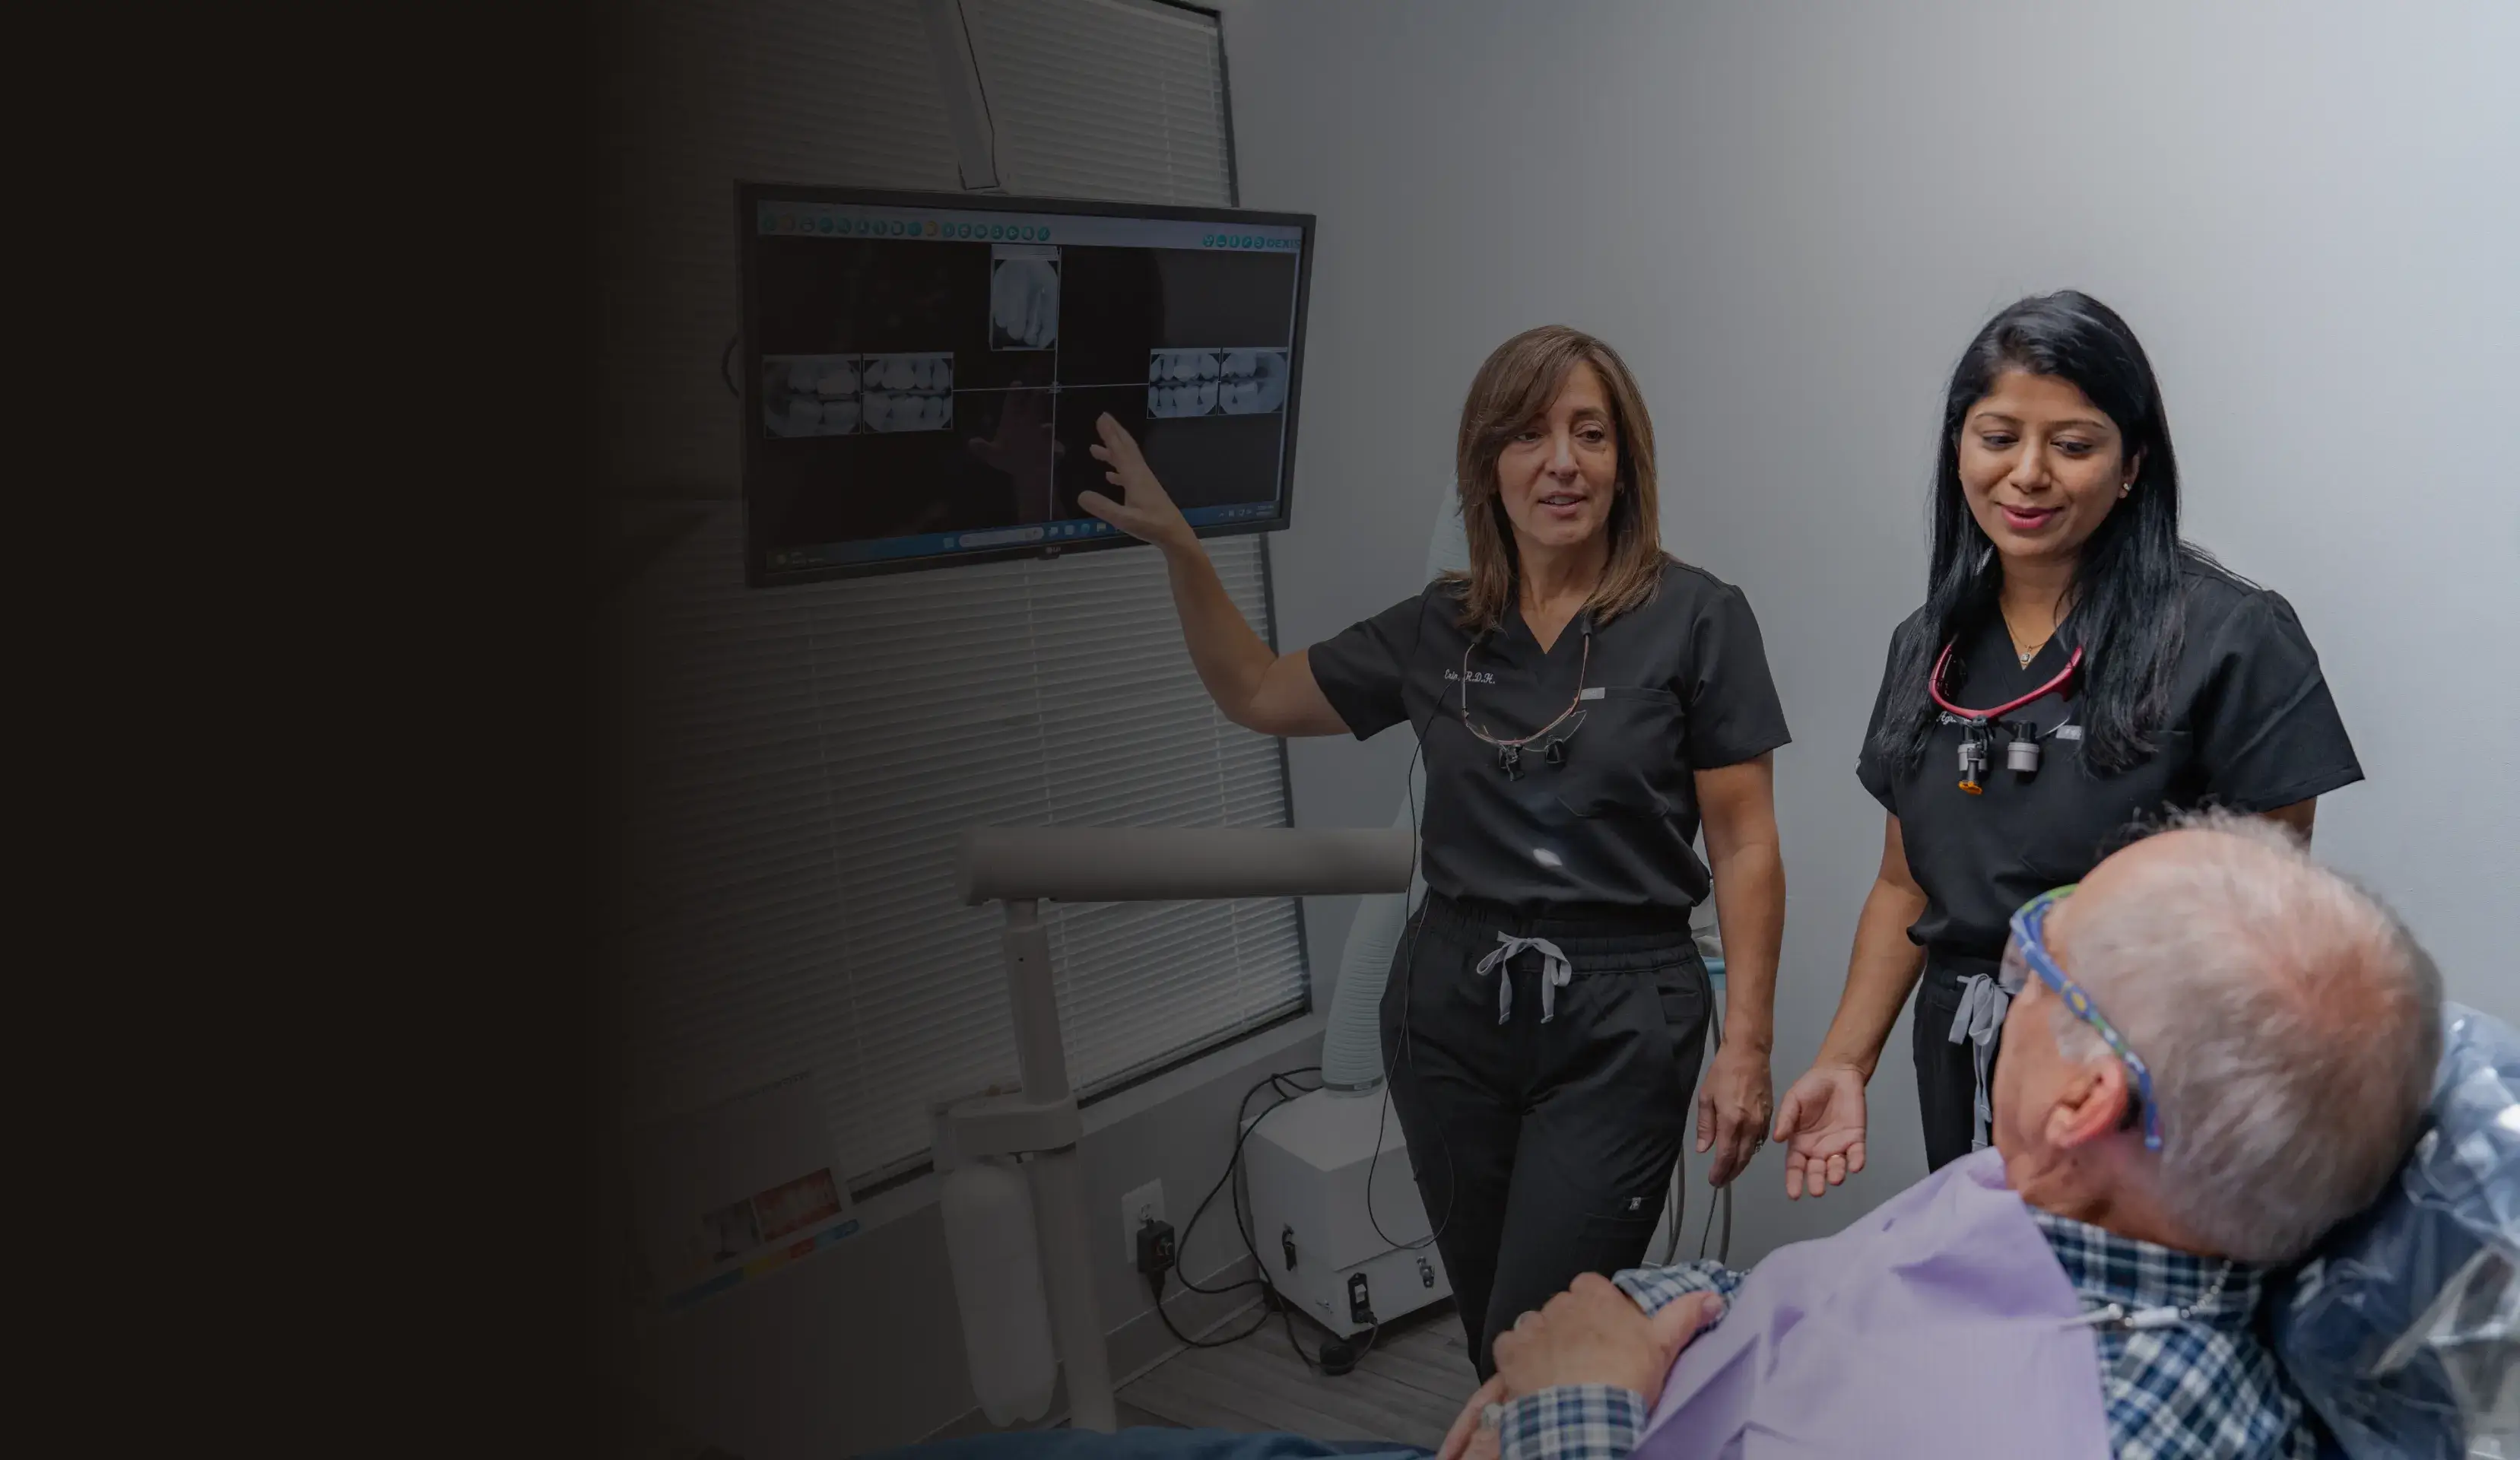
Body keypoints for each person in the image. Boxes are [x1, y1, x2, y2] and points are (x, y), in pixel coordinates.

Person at [861, 812, 2445, 1460]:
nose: (2014, 969)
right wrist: (1657, 1310)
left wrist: (1581, 1404)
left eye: (2039, 954)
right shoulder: (2075, 1194)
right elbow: (1832, 1301)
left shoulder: (2077, 1428)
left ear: (2089, 1096)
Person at [1075, 325, 1791, 1379]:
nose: (1562, 462)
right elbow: (1258, 690)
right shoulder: (1440, 627)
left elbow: (1745, 842)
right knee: (1494, 1334)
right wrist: (1185, 549)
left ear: (1625, 461)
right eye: (1530, 435)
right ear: (1487, 464)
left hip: (1621, 1017)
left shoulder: (1698, 619)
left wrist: (1749, 1047)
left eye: (1590, 434)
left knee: (1543, 1336)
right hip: (1449, 1013)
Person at [1774, 290, 2365, 1195]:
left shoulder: (2231, 636)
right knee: (1986, 1275)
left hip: (2140, 1061)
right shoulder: (1928, 646)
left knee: (2102, 1283)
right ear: (1959, 449)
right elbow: (1905, 885)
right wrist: (1844, 1064)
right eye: (1998, 437)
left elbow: (2266, 911)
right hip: (1966, 1048)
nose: (2028, 474)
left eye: (2074, 445)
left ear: (2132, 466)